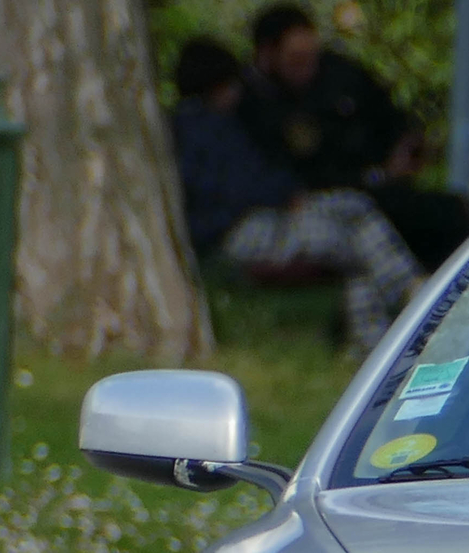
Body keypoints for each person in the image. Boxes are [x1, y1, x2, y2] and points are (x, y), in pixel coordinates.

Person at [167, 38, 422, 353]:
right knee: (350, 240)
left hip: (262, 218)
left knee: (356, 210)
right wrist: (283, 194)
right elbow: (236, 188)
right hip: (236, 232)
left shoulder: (216, 126)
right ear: (218, 85)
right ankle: (411, 297)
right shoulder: (199, 132)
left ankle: (376, 341)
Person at [238, 4, 469, 267]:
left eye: (311, 58)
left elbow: (389, 115)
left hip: (385, 186)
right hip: (329, 202)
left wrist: (405, 149)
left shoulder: (338, 72)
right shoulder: (252, 105)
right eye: (296, 60)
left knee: (453, 214)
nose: (307, 69)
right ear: (267, 54)